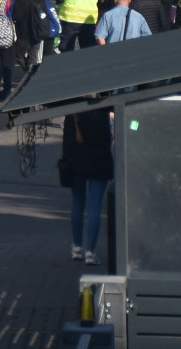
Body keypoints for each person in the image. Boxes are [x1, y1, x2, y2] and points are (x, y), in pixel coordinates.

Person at [62, 111, 115, 264]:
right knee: (95, 207)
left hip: (76, 162)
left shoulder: (72, 111)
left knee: (77, 203)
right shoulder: (102, 110)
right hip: (99, 162)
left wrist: (66, 161)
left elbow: (67, 140)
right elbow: (107, 137)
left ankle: (77, 247)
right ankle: (90, 251)